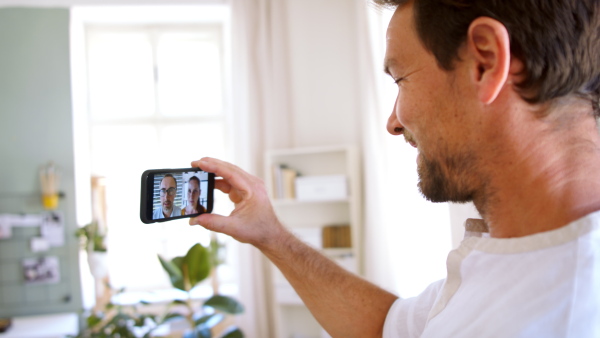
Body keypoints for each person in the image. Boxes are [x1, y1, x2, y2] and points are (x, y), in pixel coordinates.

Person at [189, 0, 600, 336]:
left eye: (400, 78)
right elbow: (388, 327)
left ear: (485, 62)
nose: (393, 121)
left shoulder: (564, 317)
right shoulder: (524, 257)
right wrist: (271, 235)